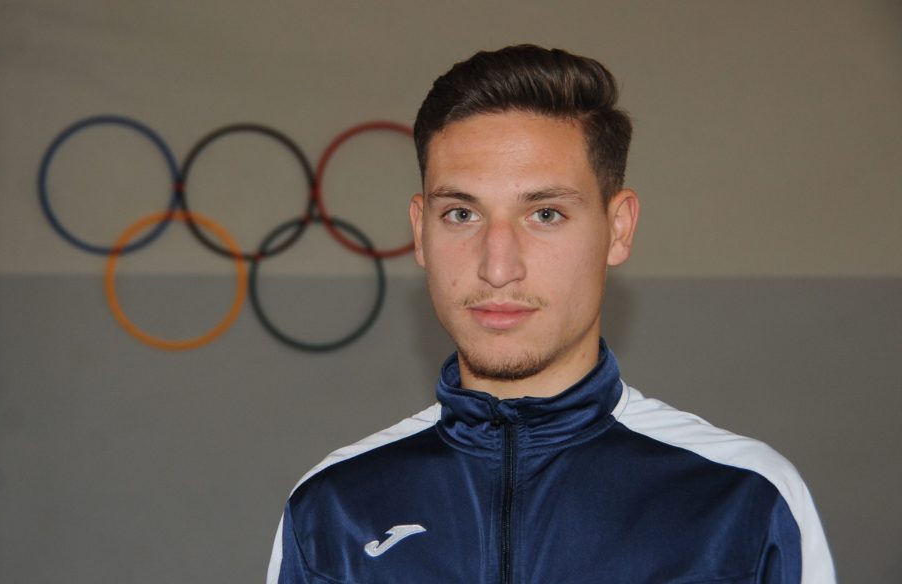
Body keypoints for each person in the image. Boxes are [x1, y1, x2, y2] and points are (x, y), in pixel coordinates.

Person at [267, 45, 835, 583]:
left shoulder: (745, 500)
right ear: (420, 232)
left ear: (618, 228)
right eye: (462, 213)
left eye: (545, 214)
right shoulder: (334, 508)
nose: (498, 267)